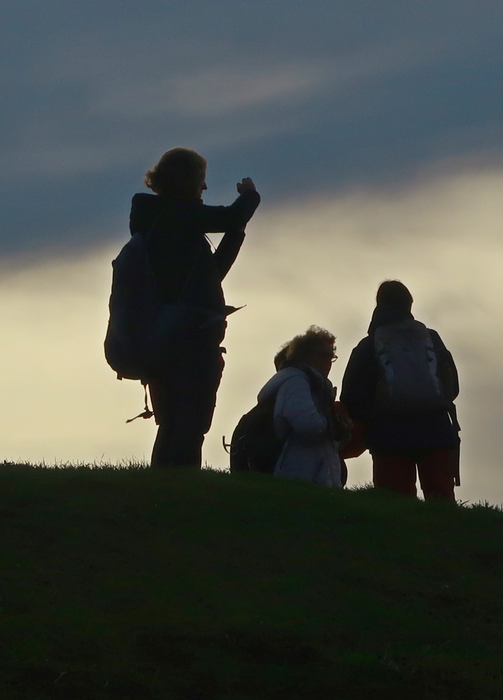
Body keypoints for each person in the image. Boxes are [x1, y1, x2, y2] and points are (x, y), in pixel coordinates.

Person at [130, 147, 260, 467]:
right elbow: (231, 215)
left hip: (166, 336)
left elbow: (211, 274)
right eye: (201, 179)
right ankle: (180, 486)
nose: (204, 187)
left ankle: (168, 485)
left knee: (176, 422)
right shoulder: (174, 215)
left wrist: (236, 232)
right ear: (185, 181)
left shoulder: (160, 220)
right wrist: (250, 195)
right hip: (189, 339)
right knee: (188, 421)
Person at [341, 281, 461, 502]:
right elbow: (452, 386)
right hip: (436, 429)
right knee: (441, 500)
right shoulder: (431, 338)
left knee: (395, 502)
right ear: (409, 305)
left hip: (388, 434)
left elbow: (351, 396)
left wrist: (368, 423)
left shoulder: (368, 345)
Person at [256, 326, 347, 488]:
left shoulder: (317, 386)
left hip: (315, 474)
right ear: (305, 356)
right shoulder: (295, 382)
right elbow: (307, 425)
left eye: (331, 356)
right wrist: (335, 425)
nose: (328, 362)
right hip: (297, 472)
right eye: (323, 355)